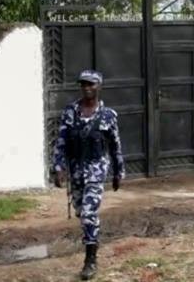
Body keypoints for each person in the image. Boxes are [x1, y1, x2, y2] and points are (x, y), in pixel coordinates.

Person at [52, 70, 125, 280]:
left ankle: (90, 261)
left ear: (99, 86)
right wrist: (58, 168)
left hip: (96, 169)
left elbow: (115, 145)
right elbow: (61, 141)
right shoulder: (70, 112)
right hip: (76, 169)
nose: (87, 88)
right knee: (80, 212)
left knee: (88, 213)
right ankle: (91, 237)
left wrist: (118, 171)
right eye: (83, 84)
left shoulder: (108, 115)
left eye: (91, 84)